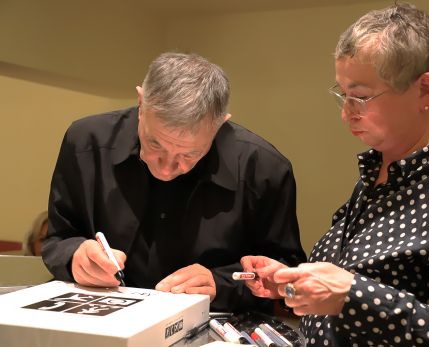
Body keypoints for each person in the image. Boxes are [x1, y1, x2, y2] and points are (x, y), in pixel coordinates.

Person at [241, 3, 429, 345]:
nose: (346, 115)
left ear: (424, 91)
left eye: (359, 97)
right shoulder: (380, 171)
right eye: (342, 96)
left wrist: (354, 297)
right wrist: (290, 281)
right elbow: (355, 286)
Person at [42, 52, 306, 312]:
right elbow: (58, 239)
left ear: (220, 125)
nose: (166, 169)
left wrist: (221, 283)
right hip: (100, 314)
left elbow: (285, 270)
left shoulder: (264, 169)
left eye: (189, 153)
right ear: (141, 103)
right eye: (155, 143)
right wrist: (76, 256)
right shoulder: (86, 143)